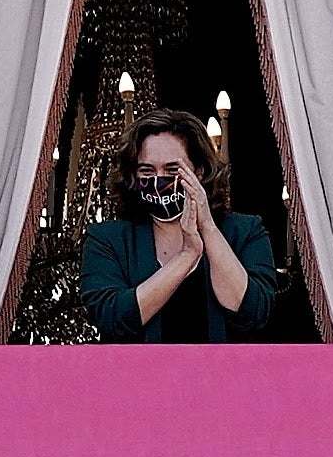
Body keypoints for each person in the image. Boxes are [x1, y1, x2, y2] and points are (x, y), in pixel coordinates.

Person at [82, 109, 276, 343]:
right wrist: (187, 255)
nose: (159, 180)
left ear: (199, 171)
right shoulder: (107, 238)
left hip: (224, 376)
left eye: (173, 170)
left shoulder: (245, 231)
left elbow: (252, 312)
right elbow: (112, 318)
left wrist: (208, 229)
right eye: (147, 171)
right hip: (139, 377)